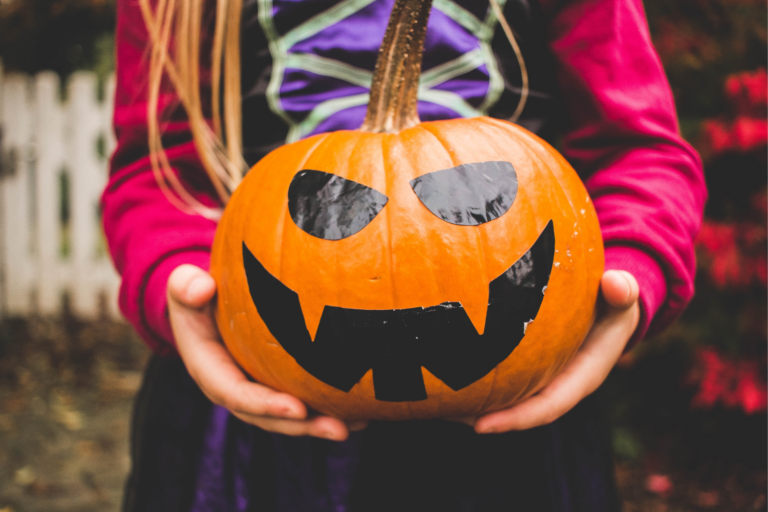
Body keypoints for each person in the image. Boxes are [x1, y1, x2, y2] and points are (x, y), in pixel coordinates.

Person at [104, 0, 707, 509]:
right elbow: (155, 168)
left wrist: (629, 270)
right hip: (253, 408)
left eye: (476, 197)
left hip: (522, 398)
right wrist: (175, 284)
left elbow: (640, 150)